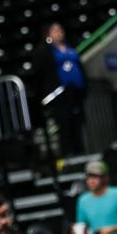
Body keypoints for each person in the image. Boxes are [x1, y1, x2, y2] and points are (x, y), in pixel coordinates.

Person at [33, 21, 87, 156]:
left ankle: (80, 151)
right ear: (48, 33)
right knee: (64, 124)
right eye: (55, 30)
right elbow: (40, 72)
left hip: (76, 92)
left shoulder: (70, 47)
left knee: (77, 123)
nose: (59, 32)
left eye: (60, 29)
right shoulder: (44, 50)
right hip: (59, 94)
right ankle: (67, 154)